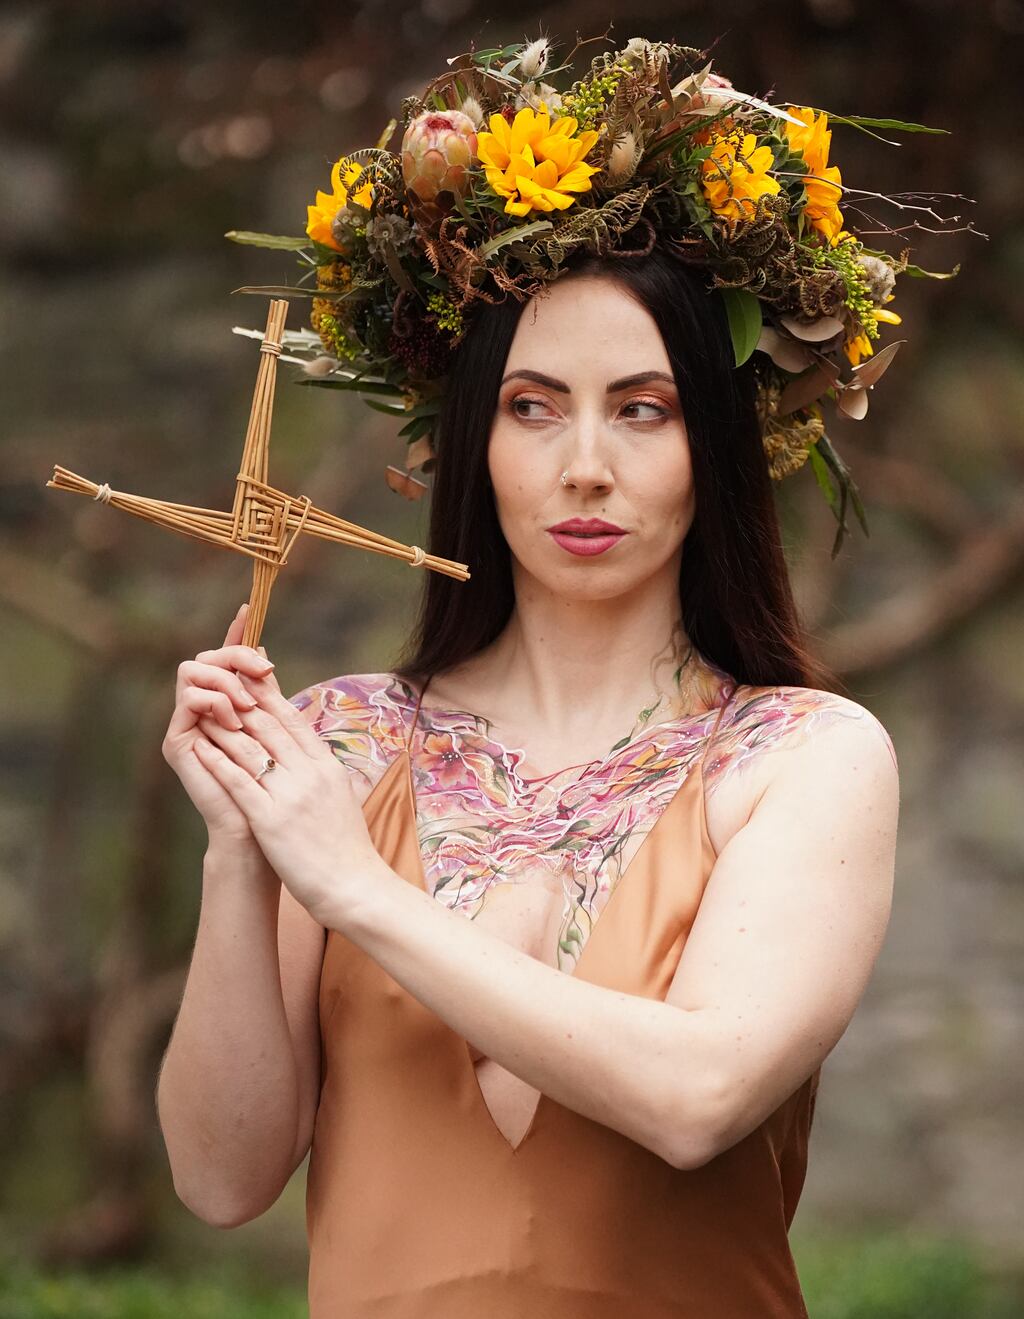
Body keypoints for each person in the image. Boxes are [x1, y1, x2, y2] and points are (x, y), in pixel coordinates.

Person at [156, 245, 899, 1317]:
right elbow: (221, 1179)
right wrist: (241, 858)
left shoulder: (803, 753)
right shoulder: (343, 742)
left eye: (644, 409)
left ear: (715, 445)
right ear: (475, 440)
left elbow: (699, 1095)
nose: (584, 465)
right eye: (532, 407)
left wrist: (352, 884)